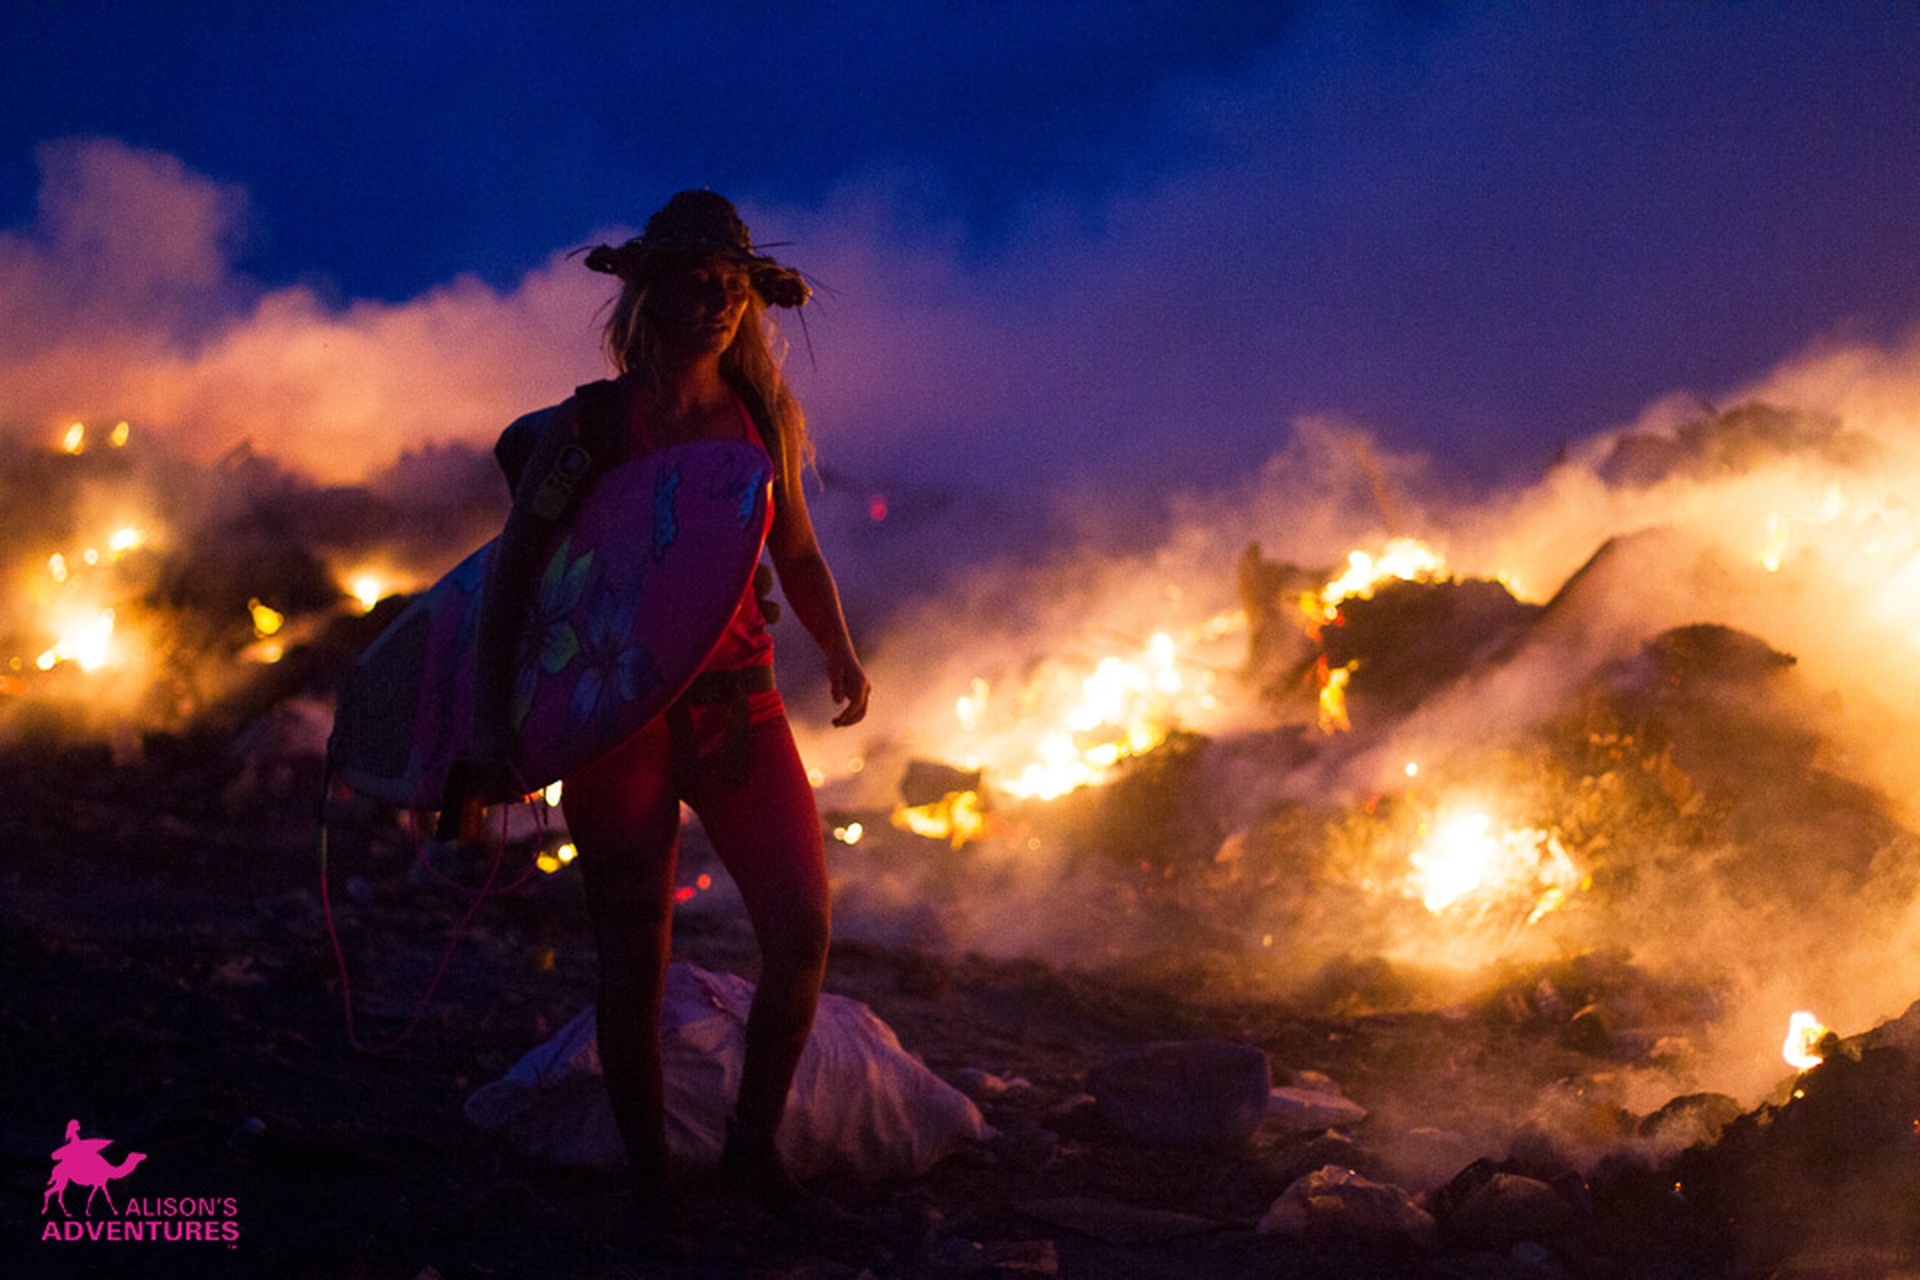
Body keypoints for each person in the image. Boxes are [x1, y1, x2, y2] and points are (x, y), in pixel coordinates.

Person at [459, 189, 870, 1243]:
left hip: (740, 705)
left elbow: (800, 554)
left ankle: (751, 1145)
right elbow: (514, 575)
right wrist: (495, 721)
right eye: (696, 281)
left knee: (803, 927)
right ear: (648, 293)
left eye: (734, 285)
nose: (719, 302)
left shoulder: (759, 420)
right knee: (633, 951)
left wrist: (837, 647)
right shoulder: (593, 426)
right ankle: (653, 1181)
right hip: (616, 717)